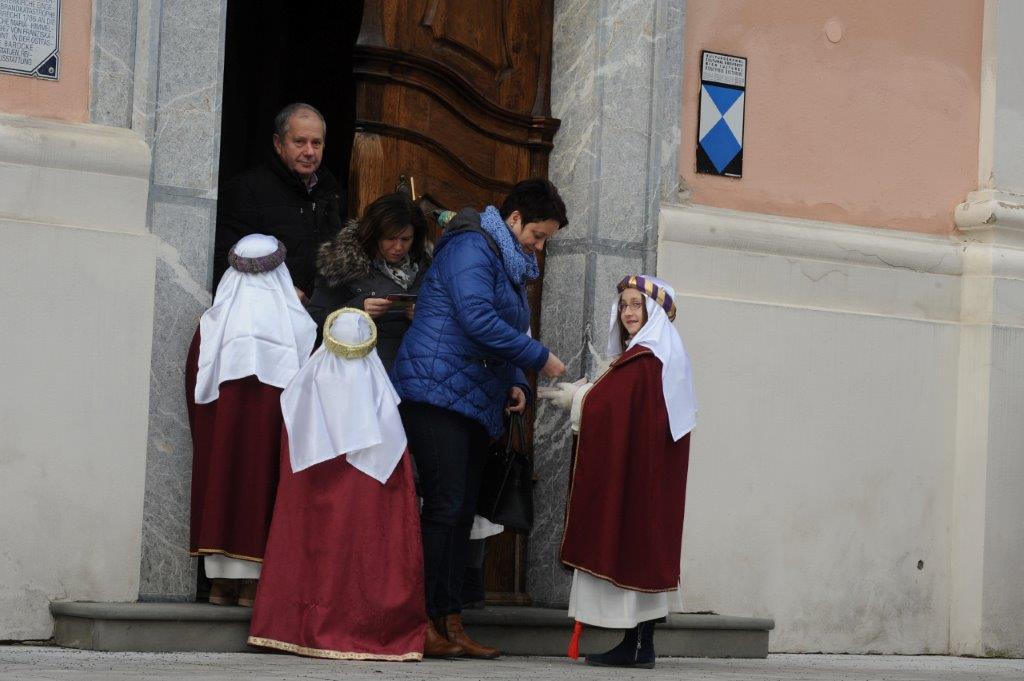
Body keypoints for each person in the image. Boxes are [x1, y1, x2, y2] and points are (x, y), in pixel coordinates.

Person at [389, 178, 569, 658]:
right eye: (538, 235)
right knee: (445, 507)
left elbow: (504, 327)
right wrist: (538, 358)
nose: (539, 246)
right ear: (514, 219)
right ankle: (423, 621)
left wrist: (515, 379)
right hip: (435, 391)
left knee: (461, 512)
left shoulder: (508, 260)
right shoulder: (472, 246)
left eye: (546, 240)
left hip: (470, 395)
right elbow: (477, 319)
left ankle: (451, 622)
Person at [248, 308, 426, 661]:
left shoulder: (301, 399)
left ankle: (299, 625)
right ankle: (365, 629)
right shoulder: (380, 400)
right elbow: (393, 464)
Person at [542, 274, 697, 669]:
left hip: (639, 479)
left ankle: (639, 645)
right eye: (624, 304)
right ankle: (639, 644)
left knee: (633, 547)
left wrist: (578, 397)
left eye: (636, 304)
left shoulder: (645, 360)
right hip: (647, 477)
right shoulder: (656, 356)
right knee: (642, 550)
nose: (628, 312)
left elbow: (611, 407)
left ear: (654, 312)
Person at [186, 234, 317, 606]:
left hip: (224, 432)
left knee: (224, 483)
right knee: (261, 485)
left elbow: (194, 381)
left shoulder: (213, 323)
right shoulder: (296, 323)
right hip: (270, 430)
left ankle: (220, 584)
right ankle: (253, 585)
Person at [212, 102, 345, 302]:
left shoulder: (331, 192)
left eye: (316, 143)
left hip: (319, 314)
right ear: (278, 143)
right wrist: (283, 291)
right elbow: (229, 262)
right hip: (266, 311)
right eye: (299, 142)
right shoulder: (247, 189)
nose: (310, 151)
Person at [306, 192, 430, 369]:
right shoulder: (342, 263)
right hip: (363, 370)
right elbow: (313, 319)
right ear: (375, 234)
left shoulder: (425, 263)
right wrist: (357, 309)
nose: (398, 247)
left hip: (416, 368)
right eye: (390, 238)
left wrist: (426, 314)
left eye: (406, 239)